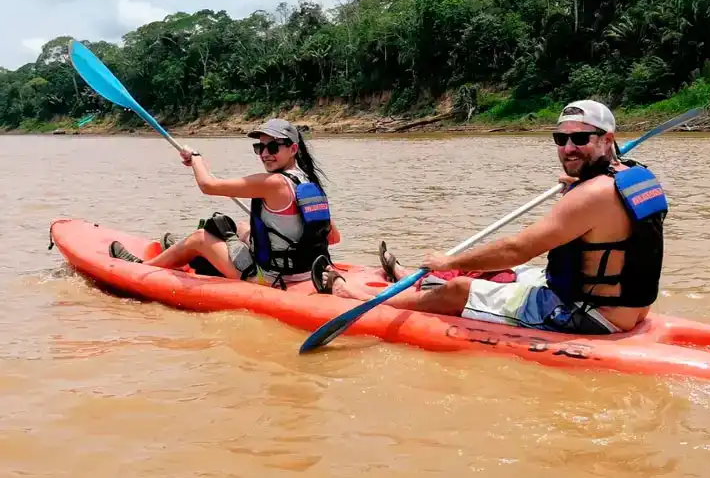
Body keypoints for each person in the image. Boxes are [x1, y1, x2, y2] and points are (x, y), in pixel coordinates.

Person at [315, 100, 667, 335]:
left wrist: (449, 260)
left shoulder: (590, 195)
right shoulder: (634, 176)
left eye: (579, 138)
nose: (568, 147)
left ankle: (356, 299)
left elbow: (517, 247)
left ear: (607, 140)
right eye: (561, 138)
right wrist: (582, 182)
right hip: (630, 308)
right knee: (505, 274)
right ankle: (412, 277)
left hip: (585, 313)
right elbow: (609, 221)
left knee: (458, 288)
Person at [109, 118, 341, 289]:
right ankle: (179, 252)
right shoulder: (309, 182)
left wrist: (196, 158)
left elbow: (208, 185)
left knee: (199, 237)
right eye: (260, 147)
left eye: (273, 147)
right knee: (242, 227)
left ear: (293, 149)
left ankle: (144, 266)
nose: (265, 154)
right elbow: (332, 237)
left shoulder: (273, 182)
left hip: (271, 278)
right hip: (308, 270)